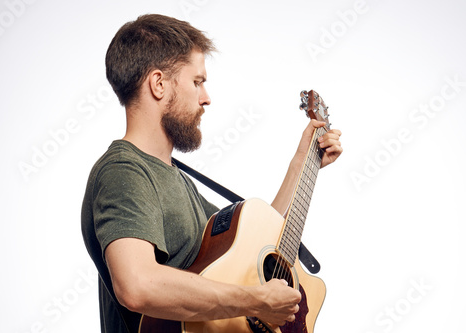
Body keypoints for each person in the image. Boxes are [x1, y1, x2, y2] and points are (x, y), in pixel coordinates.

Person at [81, 14, 343, 333]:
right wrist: (257, 301)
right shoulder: (124, 172)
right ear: (158, 84)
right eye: (197, 81)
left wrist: (302, 163)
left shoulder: (174, 177)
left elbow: (255, 247)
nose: (206, 98)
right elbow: (137, 284)